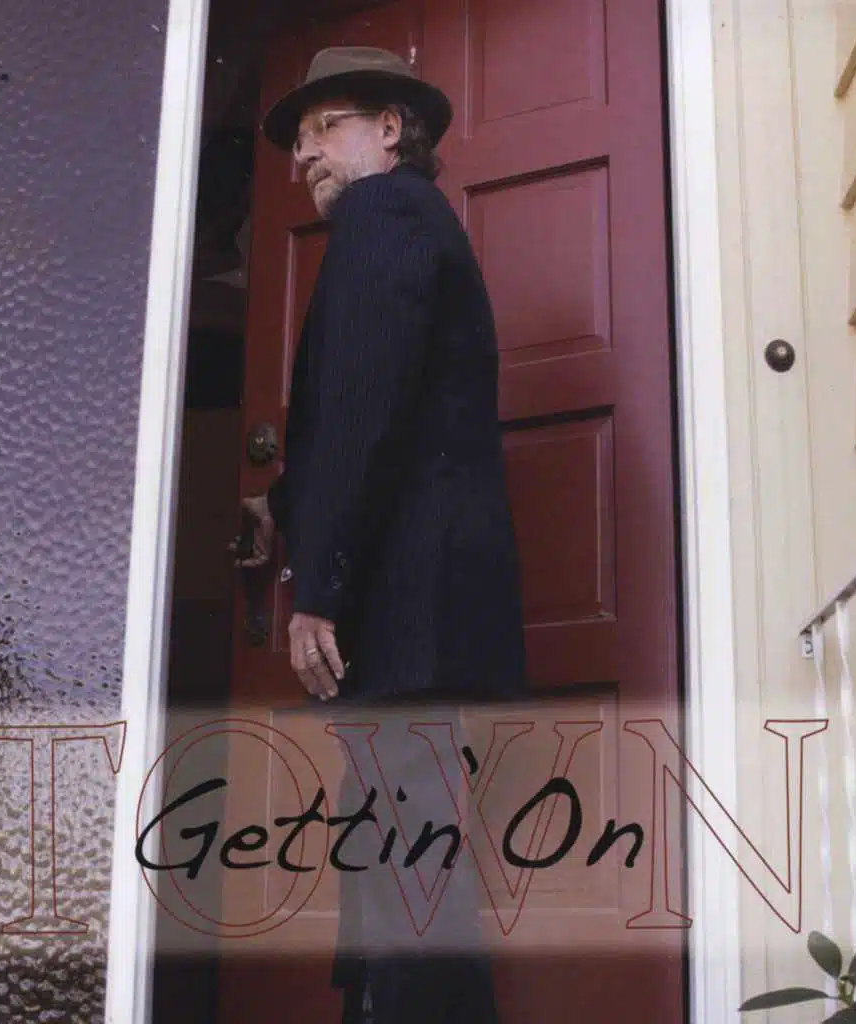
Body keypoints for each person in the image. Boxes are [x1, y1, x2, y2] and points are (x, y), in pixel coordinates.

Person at [236, 45, 528, 1023]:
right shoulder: (401, 221)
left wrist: (319, 586)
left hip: (408, 603)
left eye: (325, 127)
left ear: (391, 129)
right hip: (421, 603)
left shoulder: (384, 212)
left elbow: (366, 406)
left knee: (407, 866)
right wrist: (285, 505)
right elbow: (379, 400)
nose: (301, 155)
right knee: (399, 855)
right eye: (297, 138)